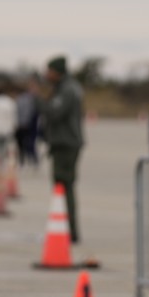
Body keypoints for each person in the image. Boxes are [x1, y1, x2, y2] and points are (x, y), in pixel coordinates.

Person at [40, 55, 85, 242]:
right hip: (64, 142)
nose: (47, 74)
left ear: (57, 72)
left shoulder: (67, 89)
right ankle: (66, 229)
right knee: (63, 186)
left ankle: (69, 230)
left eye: (50, 71)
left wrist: (38, 101)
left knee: (63, 185)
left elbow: (54, 112)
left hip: (66, 144)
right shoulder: (66, 87)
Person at [14, 76, 41, 168]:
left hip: (33, 126)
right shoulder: (23, 99)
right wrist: (20, 123)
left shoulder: (38, 100)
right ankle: (23, 161)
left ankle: (34, 161)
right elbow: (18, 111)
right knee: (22, 144)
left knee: (31, 144)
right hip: (23, 125)